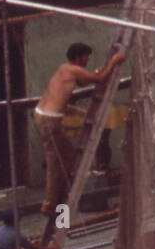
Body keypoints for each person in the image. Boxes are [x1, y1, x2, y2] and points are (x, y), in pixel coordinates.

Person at [35, 42, 125, 216]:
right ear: (78, 57)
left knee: (68, 156)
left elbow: (84, 81)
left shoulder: (65, 69)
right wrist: (114, 62)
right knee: (56, 163)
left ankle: (61, 202)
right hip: (49, 121)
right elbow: (98, 80)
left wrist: (96, 74)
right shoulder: (74, 70)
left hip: (41, 115)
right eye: (86, 56)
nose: (88, 59)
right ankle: (49, 205)